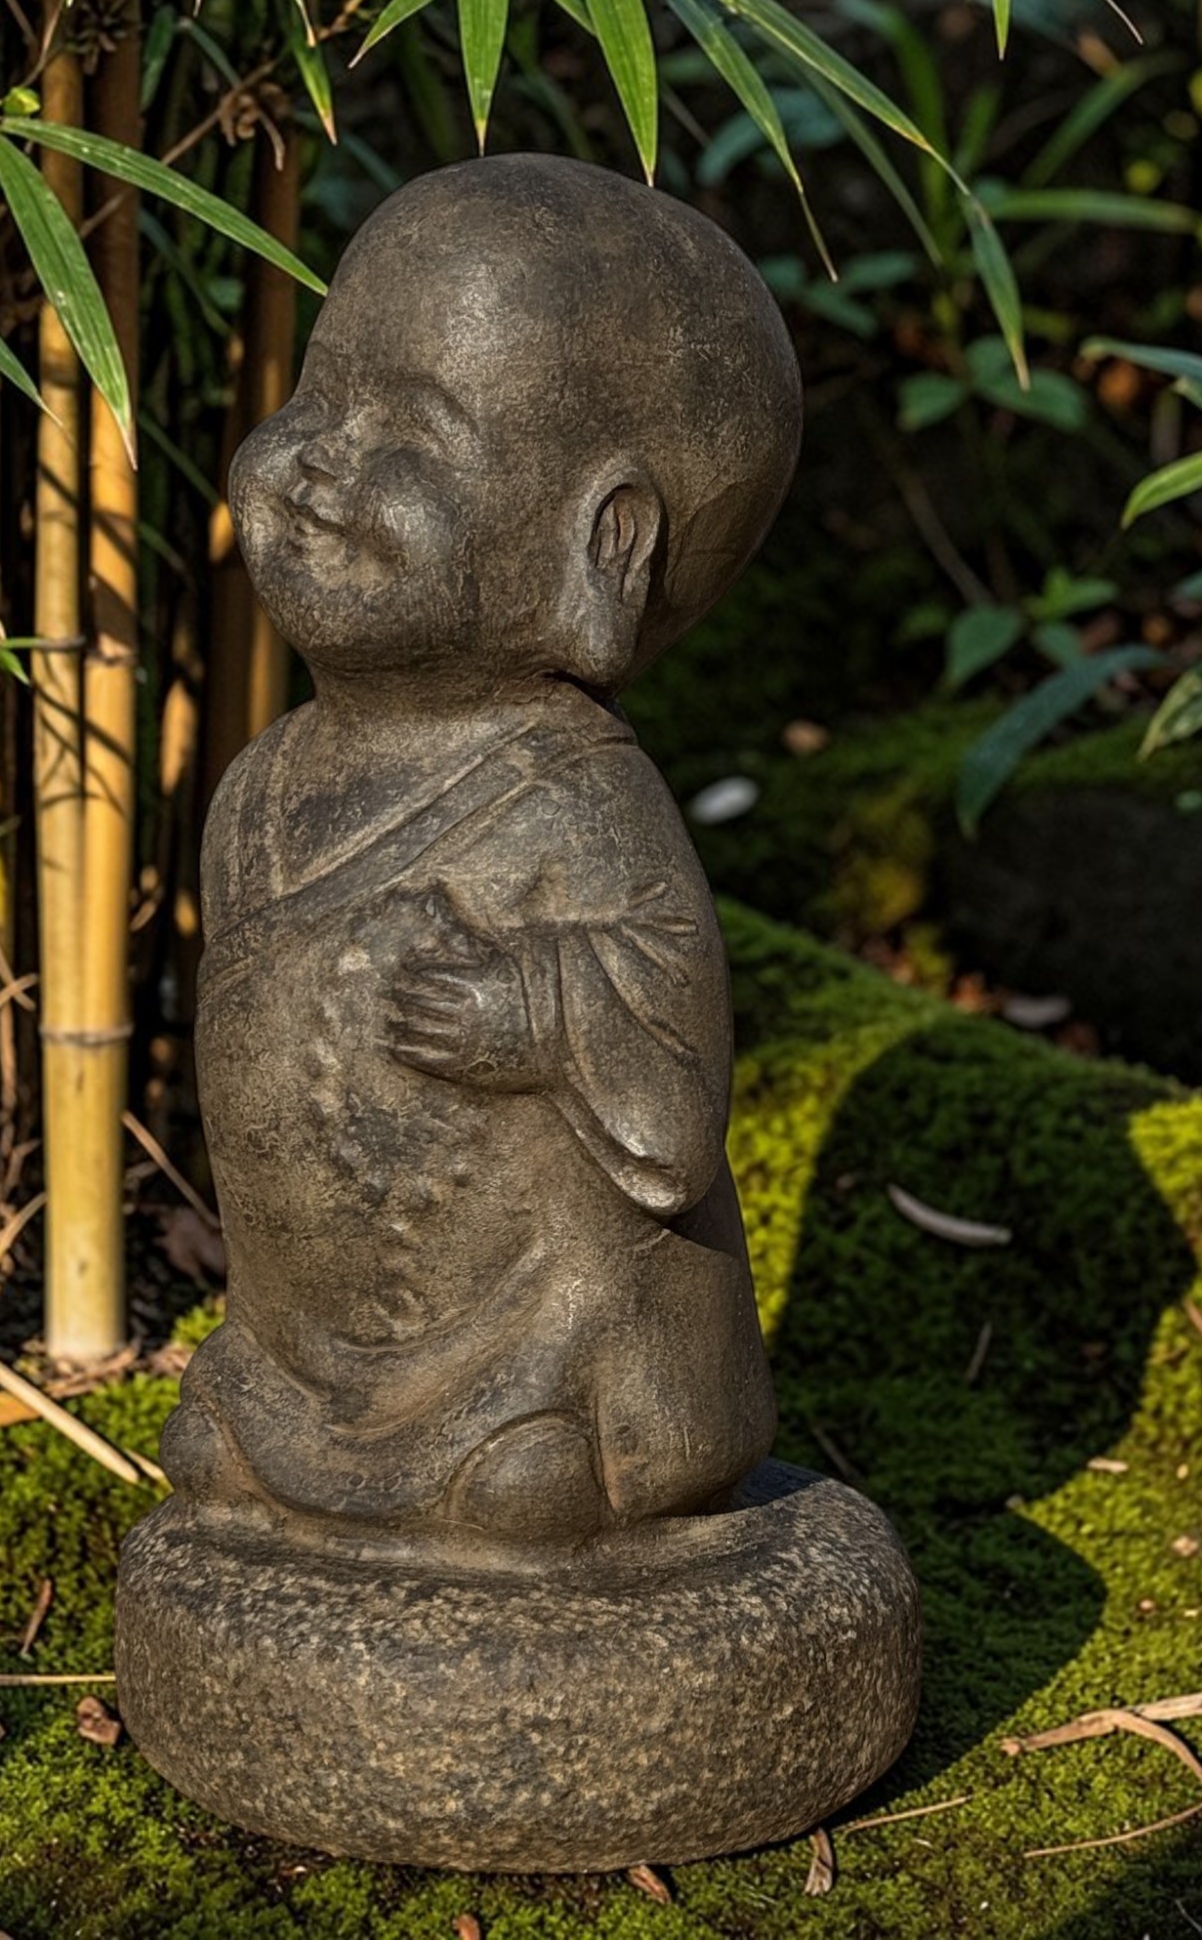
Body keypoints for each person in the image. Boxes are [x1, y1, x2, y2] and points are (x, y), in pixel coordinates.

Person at [159, 153, 802, 1553]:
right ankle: (302, 1408)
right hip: (320, 1324)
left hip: (524, 1323)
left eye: (415, 432)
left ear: (603, 550)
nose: (323, 454)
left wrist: (540, 1010)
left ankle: (539, 1435)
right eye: (322, 391)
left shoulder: (571, 800)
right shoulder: (261, 785)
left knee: (524, 1491)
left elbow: (673, 1096)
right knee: (214, 1441)